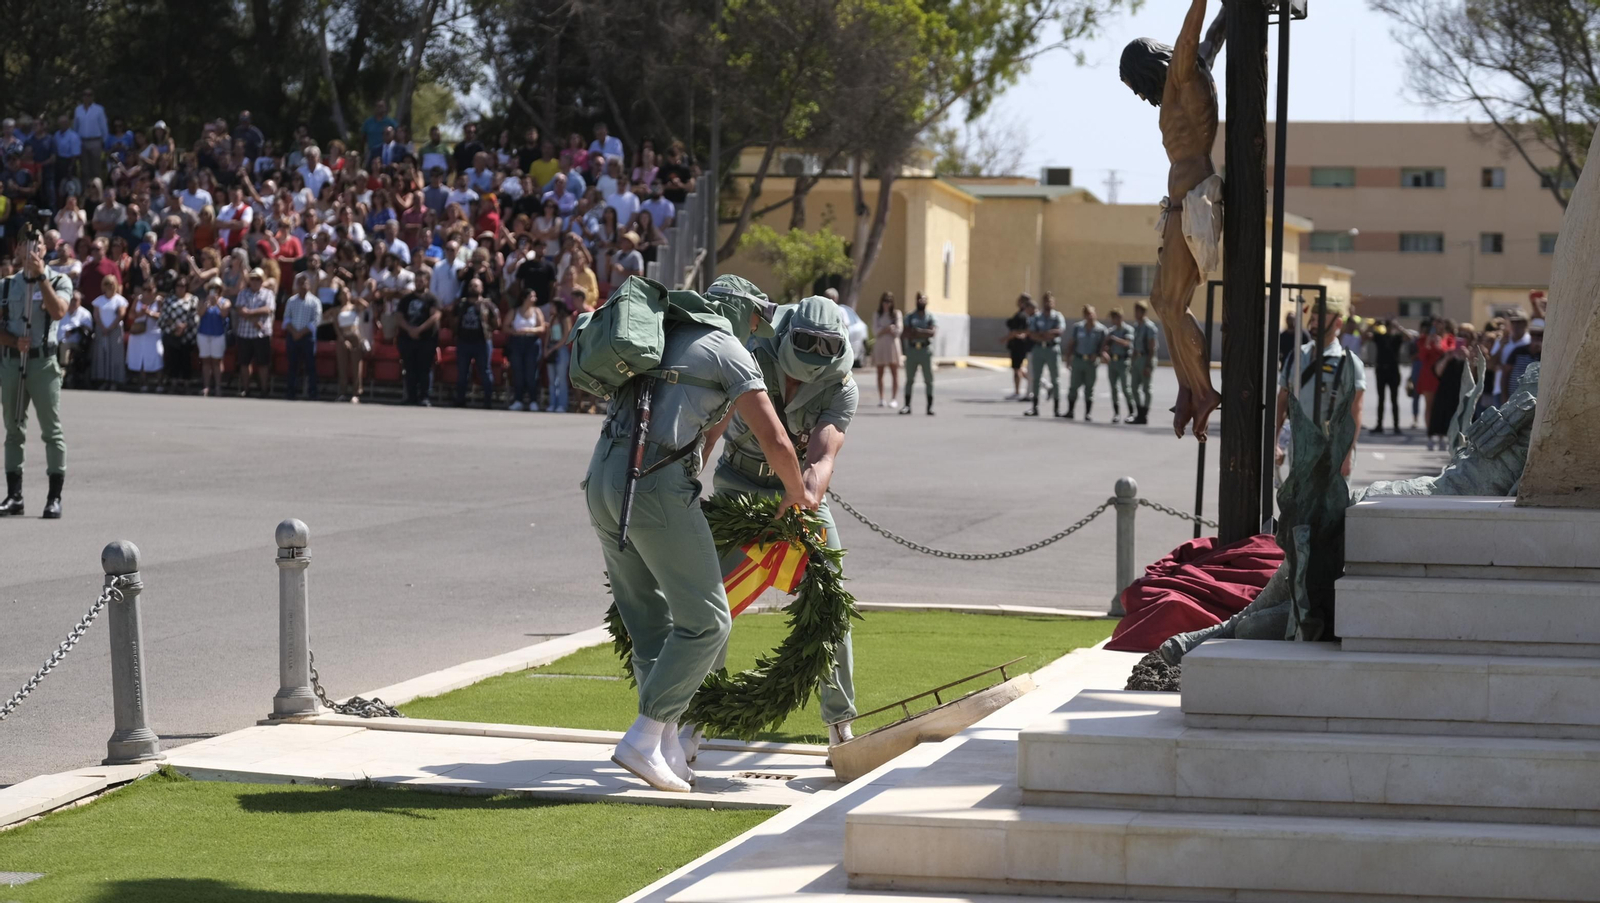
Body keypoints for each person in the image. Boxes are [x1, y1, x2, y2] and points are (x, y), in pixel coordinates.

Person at [583, 278, 811, 793]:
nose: (757, 331)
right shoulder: (728, 348)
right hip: (655, 488)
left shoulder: (667, 330)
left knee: (648, 622)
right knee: (709, 621)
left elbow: (703, 436)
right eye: (756, 319)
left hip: (602, 479)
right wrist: (797, 495)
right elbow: (775, 439)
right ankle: (644, 738)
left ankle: (663, 746)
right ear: (742, 312)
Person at [703, 287, 859, 746]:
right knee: (710, 598)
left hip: (801, 495)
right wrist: (690, 476)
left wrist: (807, 491)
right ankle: (691, 717)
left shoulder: (841, 386)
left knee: (831, 594)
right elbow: (713, 426)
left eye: (827, 346)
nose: (815, 354)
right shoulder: (753, 353)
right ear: (789, 332)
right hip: (739, 482)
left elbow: (824, 452)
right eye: (806, 341)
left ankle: (840, 724)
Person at [1119, 0, 1224, 439]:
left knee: (1174, 303)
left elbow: (1192, 28)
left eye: (1137, 85)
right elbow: (1215, 33)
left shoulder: (1181, 71)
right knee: (1162, 302)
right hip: (1180, 205)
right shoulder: (1194, 66)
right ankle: (1186, 386)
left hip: (1194, 204)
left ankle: (1203, 390)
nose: (1142, 95)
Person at [0, 235, 74, 517]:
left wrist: (41, 276)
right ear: (17, 249)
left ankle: (54, 497)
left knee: (51, 431)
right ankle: (14, 496)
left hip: (42, 364)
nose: (33, 248)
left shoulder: (58, 281)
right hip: (11, 364)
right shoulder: (6, 285)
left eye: (38, 244)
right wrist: (10, 341)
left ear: (45, 249)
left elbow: (58, 311)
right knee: (13, 430)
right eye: (26, 244)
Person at [1274, 296, 1365, 478]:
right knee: (1299, 504)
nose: (1313, 324)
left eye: (1318, 319)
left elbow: (1355, 411)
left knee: (1331, 506)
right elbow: (1283, 400)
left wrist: (1347, 456)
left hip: (1333, 450)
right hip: (1300, 447)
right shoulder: (1297, 356)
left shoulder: (1348, 362)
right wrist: (1275, 441)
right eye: (1312, 318)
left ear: (1337, 323)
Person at [1428, 322, 1477, 450]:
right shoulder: (1449, 353)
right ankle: (1441, 438)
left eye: (1466, 335)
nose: (1462, 338)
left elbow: (1474, 376)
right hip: (1446, 389)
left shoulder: (1473, 354)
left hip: (1464, 392)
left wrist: (1467, 358)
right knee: (1442, 414)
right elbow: (1437, 372)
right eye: (1460, 335)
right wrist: (1447, 358)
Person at [453, 278, 499, 408]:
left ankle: (487, 401)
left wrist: (490, 329)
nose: (473, 288)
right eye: (471, 285)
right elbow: (454, 319)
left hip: (482, 343)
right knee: (462, 372)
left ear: (482, 288)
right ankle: (460, 400)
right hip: (463, 342)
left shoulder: (488, 304)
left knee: (485, 371)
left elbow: (496, 322)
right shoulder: (461, 304)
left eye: (476, 286)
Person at [396, 279, 441, 405]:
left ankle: (424, 397)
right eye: (417, 281)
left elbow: (435, 316)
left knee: (424, 369)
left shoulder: (432, 298)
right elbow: (399, 316)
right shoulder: (406, 299)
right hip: (407, 339)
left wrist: (419, 330)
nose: (419, 283)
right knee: (409, 369)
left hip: (426, 339)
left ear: (426, 282)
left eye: (422, 281)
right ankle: (411, 397)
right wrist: (410, 329)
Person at [233, 267, 276, 397]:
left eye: (258, 279)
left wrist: (250, 313)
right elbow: (240, 310)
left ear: (262, 280)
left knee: (263, 364)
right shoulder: (243, 293)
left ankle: (264, 389)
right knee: (244, 363)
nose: (255, 281)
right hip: (244, 334)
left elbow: (268, 310)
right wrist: (254, 316)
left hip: (261, 334)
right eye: (252, 279)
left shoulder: (268, 294)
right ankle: (246, 389)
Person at [1024, 292, 1066, 417]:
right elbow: (1031, 333)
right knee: (1036, 378)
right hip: (1038, 349)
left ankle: (1057, 409)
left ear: (1054, 302)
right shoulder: (1037, 317)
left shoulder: (1057, 316)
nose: (1048, 303)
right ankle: (1035, 407)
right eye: (1046, 301)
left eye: (1050, 301)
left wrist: (1043, 334)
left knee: (1056, 379)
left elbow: (1059, 331)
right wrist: (1045, 335)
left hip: (1052, 349)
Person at [505, 288, 547, 411]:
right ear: (524, 298)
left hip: (532, 342)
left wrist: (530, 330)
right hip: (517, 342)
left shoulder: (537, 311)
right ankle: (518, 399)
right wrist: (514, 331)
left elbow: (542, 327)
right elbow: (505, 326)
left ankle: (533, 400)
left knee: (531, 372)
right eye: (532, 296)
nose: (534, 299)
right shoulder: (514, 311)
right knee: (518, 371)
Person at [1367, 318, 1410, 435]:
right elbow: (1366, 336)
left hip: (1393, 371)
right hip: (1381, 370)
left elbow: (1409, 337)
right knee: (1381, 399)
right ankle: (1379, 425)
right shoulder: (1380, 337)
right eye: (1389, 326)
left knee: (1394, 400)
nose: (1390, 328)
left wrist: (1399, 327)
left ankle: (1396, 425)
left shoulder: (1397, 338)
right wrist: (1373, 325)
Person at [282, 272, 321, 400]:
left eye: (305, 282)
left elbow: (316, 321)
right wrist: (294, 332)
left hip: (307, 337)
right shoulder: (291, 301)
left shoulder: (315, 302)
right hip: (293, 336)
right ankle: (291, 391)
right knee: (292, 365)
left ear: (309, 285)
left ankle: (312, 392)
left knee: (310, 366)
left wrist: (301, 333)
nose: (302, 285)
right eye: (300, 283)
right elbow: (286, 319)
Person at [1064, 305, 1107, 420]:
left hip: (1091, 362)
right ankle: (1070, 410)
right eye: (1087, 314)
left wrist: (1098, 354)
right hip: (1078, 359)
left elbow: (1105, 346)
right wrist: (1068, 358)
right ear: (1084, 315)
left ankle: (1088, 413)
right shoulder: (1078, 327)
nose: (1090, 316)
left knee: (1089, 388)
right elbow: (1071, 343)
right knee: (1073, 386)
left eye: (1092, 313)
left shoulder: (1101, 329)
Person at [159, 276, 198, 393]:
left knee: (186, 359)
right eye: (178, 286)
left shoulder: (192, 299)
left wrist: (184, 326)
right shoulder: (169, 300)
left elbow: (195, 317)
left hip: (187, 334)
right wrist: (175, 327)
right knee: (173, 359)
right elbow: (164, 316)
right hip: (172, 333)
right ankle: (173, 383)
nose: (180, 288)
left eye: (183, 286)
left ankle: (186, 384)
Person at [899, 292, 936, 415]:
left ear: (927, 302)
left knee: (928, 380)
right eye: (919, 299)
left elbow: (932, 332)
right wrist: (921, 333)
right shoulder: (910, 317)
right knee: (909, 379)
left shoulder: (930, 317)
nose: (921, 301)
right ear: (916, 301)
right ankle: (907, 405)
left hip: (925, 351)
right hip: (912, 350)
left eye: (924, 299)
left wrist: (918, 332)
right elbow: (905, 333)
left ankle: (929, 407)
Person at [90, 274, 127, 388]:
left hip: (115, 331)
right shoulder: (99, 300)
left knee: (115, 356)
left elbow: (121, 314)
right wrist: (103, 327)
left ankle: (114, 381)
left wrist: (110, 327)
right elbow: (96, 315)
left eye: (111, 284)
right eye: (106, 284)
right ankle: (103, 380)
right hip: (102, 330)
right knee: (102, 355)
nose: (109, 286)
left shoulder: (120, 300)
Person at [124, 285, 163, 392]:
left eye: (149, 289)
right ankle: (143, 383)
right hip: (139, 332)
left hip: (153, 332)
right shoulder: (138, 299)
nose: (147, 292)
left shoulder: (159, 301)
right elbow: (131, 315)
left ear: (155, 290)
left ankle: (159, 383)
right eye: (145, 289)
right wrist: (139, 314)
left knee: (156, 357)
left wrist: (149, 313)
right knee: (141, 357)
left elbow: (162, 315)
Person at [332, 286, 367, 403]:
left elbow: (365, 305)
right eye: (343, 293)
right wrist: (342, 339)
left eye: (347, 292)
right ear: (339, 296)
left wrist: (357, 299)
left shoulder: (354, 308)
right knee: (342, 365)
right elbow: (336, 326)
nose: (345, 295)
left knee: (356, 365)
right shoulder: (337, 310)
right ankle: (342, 392)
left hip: (354, 336)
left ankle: (356, 393)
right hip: (343, 337)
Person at [1128, 300, 1161, 424]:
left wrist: (1148, 365)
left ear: (1143, 312)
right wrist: (1132, 362)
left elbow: (1152, 347)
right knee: (1133, 387)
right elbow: (1134, 346)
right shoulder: (1136, 326)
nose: (1136, 313)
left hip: (1146, 358)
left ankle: (1144, 414)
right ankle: (1139, 412)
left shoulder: (1149, 327)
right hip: (1137, 358)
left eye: (1138, 311)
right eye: (1135, 311)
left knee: (1146, 388)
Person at [196, 279, 229, 396]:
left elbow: (224, 313)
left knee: (217, 362)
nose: (214, 291)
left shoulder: (225, 302)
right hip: (203, 334)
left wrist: (217, 303)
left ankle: (218, 386)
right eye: (211, 288)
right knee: (206, 362)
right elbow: (199, 313)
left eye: (216, 288)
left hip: (218, 335)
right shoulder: (203, 301)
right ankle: (206, 386)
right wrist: (207, 303)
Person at [870, 292, 903, 408]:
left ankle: (894, 398)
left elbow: (899, 330)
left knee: (894, 373)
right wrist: (886, 329)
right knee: (880, 372)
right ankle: (881, 398)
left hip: (892, 345)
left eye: (889, 301)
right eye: (885, 301)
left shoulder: (896, 314)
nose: (887, 304)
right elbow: (875, 331)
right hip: (881, 345)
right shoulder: (877, 314)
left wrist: (890, 329)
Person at [1104, 308, 1136, 423]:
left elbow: (1127, 343)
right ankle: (1116, 413)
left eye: (1116, 318)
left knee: (1125, 387)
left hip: (1123, 361)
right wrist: (1105, 352)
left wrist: (1114, 339)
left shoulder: (1127, 329)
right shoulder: (1111, 331)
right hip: (1113, 361)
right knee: (1113, 388)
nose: (1114, 320)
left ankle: (1132, 412)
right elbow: (1105, 345)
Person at [1004, 293, 1036, 400]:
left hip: (1018, 345)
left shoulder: (1022, 316)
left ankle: (1017, 391)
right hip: (1021, 345)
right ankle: (1043, 384)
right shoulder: (1025, 315)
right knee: (1021, 369)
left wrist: (1005, 339)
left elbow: (1018, 331)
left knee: (1017, 369)